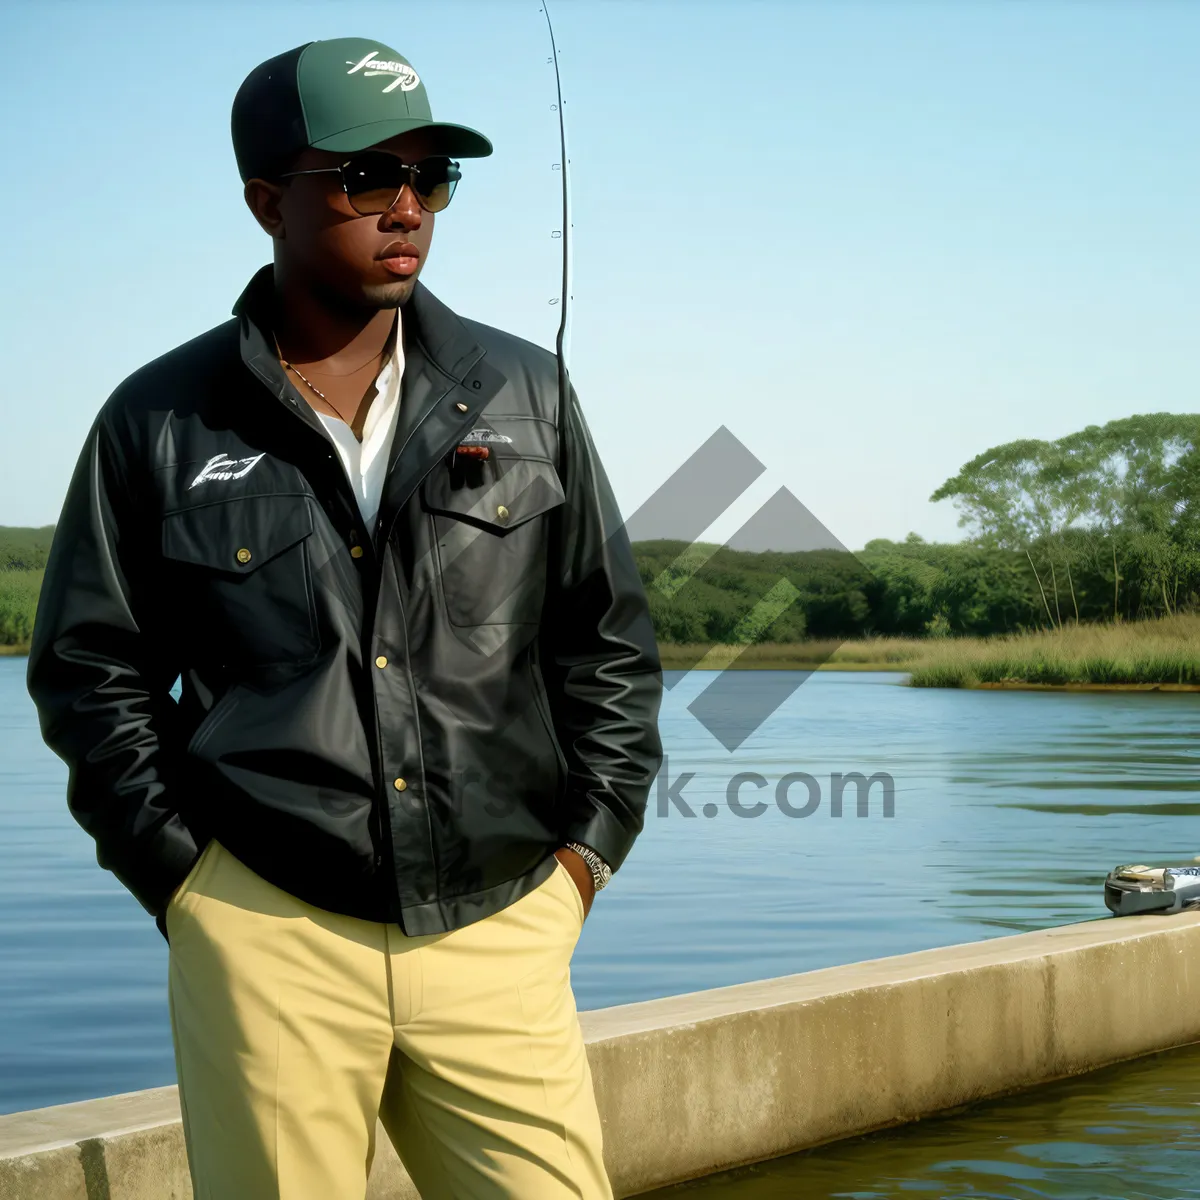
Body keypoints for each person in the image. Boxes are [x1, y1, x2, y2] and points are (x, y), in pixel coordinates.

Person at [26, 36, 664, 1200]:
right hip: (265, 932)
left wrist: (584, 860)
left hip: (504, 927)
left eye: (432, 176)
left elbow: (606, 642)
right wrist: (192, 884)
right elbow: (88, 670)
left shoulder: (529, 393)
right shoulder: (156, 420)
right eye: (370, 177)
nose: (408, 206)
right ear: (268, 201)